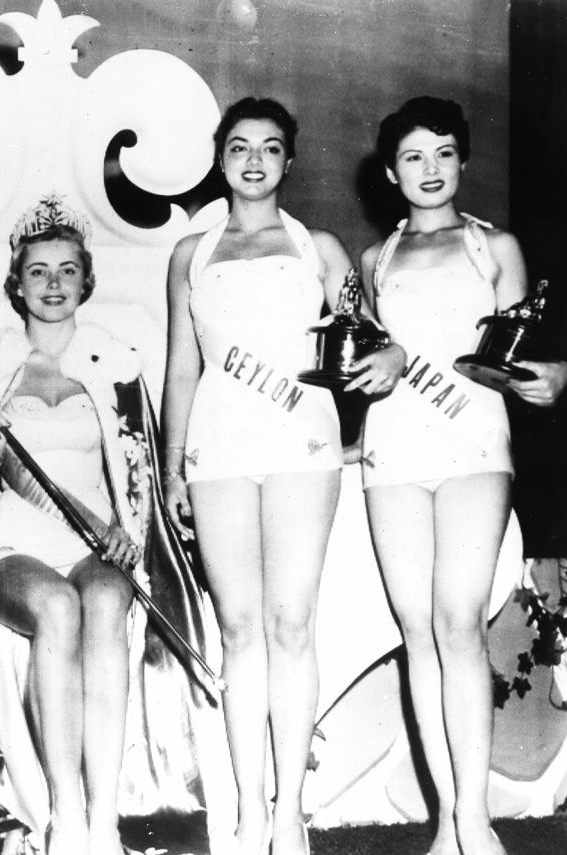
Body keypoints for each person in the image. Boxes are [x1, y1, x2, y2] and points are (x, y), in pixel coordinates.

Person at [161, 98, 405, 855]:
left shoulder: (321, 248)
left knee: (290, 622)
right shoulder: (189, 254)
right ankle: (244, 812)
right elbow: (180, 369)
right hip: (219, 449)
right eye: (240, 146)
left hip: (301, 442)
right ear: (220, 157)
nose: (255, 159)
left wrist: (382, 356)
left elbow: (370, 338)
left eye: (270, 147)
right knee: (238, 627)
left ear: (288, 161)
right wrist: (171, 467)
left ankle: (289, 810)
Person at [359, 96, 527, 855]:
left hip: (473, 448)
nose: (430, 169)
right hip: (393, 448)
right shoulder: (375, 261)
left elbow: (519, 360)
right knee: (418, 630)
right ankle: (447, 819)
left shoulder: (496, 249)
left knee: (459, 621)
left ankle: (477, 819)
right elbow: (364, 363)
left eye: (444, 153)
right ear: (392, 172)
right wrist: (378, 365)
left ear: (462, 161)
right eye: (414, 157)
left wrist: (550, 373)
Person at [0, 195, 156, 855]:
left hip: (92, 545)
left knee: (104, 599)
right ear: (15, 284)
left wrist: (130, 530)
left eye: (67, 271)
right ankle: (64, 813)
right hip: (14, 546)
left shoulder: (115, 365)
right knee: (56, 605)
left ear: (86, 280)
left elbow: (140, 471)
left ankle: (103, 816)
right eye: (39, 271)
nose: (53, 284)